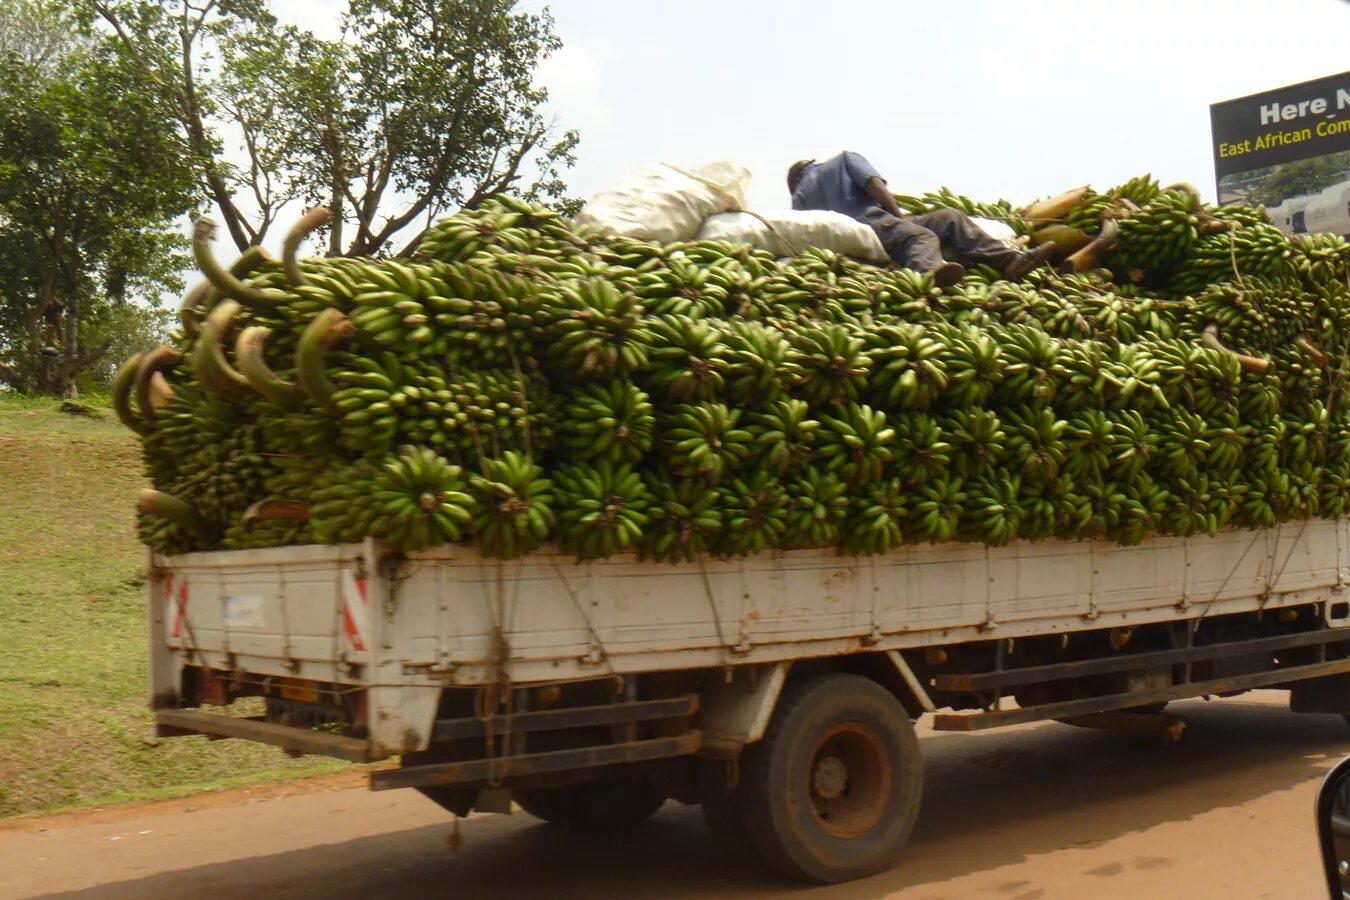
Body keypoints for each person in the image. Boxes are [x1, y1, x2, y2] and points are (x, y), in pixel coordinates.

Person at [787, 152, 1054, 288]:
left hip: (856, 233)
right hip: (872, 222)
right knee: (922, 235)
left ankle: (1010, 261)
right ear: (810, 164)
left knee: (949, 217)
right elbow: (874, 185)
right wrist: (900, 216)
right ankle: (926, 272)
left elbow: (803, 231)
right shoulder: (842, 160)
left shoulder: (798, 199)